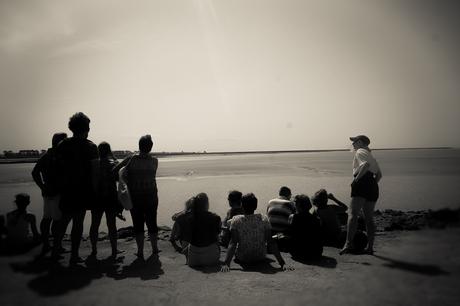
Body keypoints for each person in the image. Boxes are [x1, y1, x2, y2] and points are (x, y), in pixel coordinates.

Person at [52, 112, 99, 264]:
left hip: (66, 190)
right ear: (86, 128)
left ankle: (56, 250)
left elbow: (56, 169)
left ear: (71, 128)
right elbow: (95, 173)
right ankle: (74, 255)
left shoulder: (62, 145)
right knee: (78, 224)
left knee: (63, 221)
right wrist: (96, 192)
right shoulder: (91, 147)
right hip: (82, 191)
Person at [221, 193, 291, 272]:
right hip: (260, 256)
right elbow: (271, 242)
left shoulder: (236, 220)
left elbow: (233, 243)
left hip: (243, 257)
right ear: (256, 206)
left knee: (236, 244)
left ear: (242, 205)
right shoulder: (264, 219)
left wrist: (226, 263)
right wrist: (282, 263)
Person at [115, 135, 159, 259]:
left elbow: (118, 170)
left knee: (138, 224)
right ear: (151, 147)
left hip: (136, 197)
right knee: (152, 222)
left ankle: (140, 251)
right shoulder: (155, 161)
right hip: (151, 196)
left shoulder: (132, 159)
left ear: (139, 146)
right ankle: (155, 249)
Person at [341, 135, 382, 255]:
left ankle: (348, 243)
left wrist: (356, 181)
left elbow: (365, 165)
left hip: (362, 182)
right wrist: (371, 185)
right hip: (373, 185)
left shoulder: (360, 151)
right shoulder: (372, 157)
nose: (352, 145)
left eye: (354, 142)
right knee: (369, 217)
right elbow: (379, 175)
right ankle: (370, 247)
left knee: (352, 214)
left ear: (360, 142)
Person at [32, 132, 67, 253]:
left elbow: (35, 173)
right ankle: (57, 246)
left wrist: (42, 187)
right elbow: (35, 173)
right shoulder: (58, 156)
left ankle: (47, 244)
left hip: (47, 192)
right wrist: (42, 186)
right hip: (56, 193)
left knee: (47, 218)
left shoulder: (46, 156)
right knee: (57, 220)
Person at [89, 142, 124, 259]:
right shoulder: (112, 163)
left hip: (96, 198)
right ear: (109, 151)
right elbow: (120, 175)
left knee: (95, 224)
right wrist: (113, 157)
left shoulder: (94, 164)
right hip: (110, 197)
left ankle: (94, 249)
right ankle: (114, 249)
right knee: (111, 225)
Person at [180, 193, 221, 267]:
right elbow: (216, 237)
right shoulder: (215, 218)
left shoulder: (190, 219)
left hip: (193, 259)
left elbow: (187, 238)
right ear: (207, 203)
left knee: (189, 244)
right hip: (211, 258)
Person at [287, 194, 322, 260]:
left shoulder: (293, 217)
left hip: (298, 252)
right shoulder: (316, 219)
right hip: (315, 252)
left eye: (295, 203)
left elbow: (289, 233)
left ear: (298, 206)